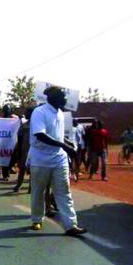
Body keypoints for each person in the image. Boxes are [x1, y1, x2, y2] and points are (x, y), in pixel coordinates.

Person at [28, 86, 86, 235]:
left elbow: (57, 135)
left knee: (64, 191)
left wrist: (66, 141)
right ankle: (36, 219)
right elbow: (40, 135)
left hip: (59, 159)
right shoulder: (39, 112)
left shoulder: (60, 113)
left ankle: (71, 225)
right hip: (40, 159)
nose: (66, 99)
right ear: (53, 98)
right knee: (38, 192)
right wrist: (63, 145)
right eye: (63, 96)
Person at [13, 106, 33, 193]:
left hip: (34, 151)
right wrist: (18, 151)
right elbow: (19, 138)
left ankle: (31, 187)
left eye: (28, 112)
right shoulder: (24, 125)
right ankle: (18, 185)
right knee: (22, 169)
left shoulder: (38, 125)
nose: (26, 114)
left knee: (32, 170)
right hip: (25, 150)